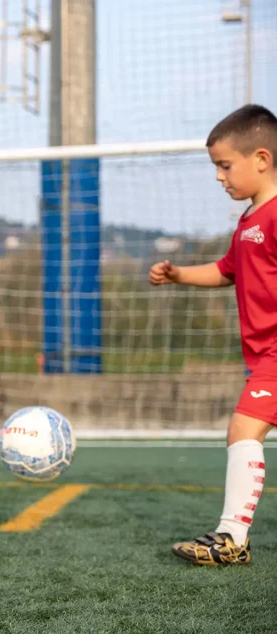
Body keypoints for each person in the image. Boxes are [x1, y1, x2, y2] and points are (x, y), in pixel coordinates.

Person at [149, 104, 277, 566]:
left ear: (260, 159)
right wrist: (179, 274)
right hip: (264, 355)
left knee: (244, 427)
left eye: (225, 165)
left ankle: (230, 538)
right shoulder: (248, 221)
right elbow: (227, 272)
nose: (219, 177)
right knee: (247, 428)